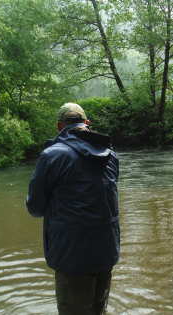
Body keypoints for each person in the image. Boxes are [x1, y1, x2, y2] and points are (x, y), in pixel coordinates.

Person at [26, 102, 120, 315]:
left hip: (71, 256)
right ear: (87, 124)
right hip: (107, 250)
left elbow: (35, 208)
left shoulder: (52, 155)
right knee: (99, 311)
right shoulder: (111, 155)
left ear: (60, 126)